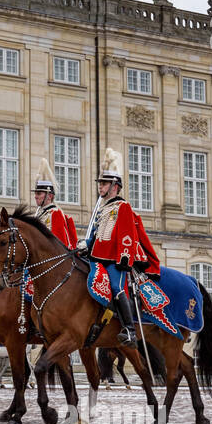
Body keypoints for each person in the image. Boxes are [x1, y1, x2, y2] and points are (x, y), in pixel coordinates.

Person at [78, 148, 161, 348]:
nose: (101, 187)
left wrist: (124, 259)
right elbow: (99, 236)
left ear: (115, 186)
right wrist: (86, 244)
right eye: (100, 183)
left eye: (104, 183)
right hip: (98, 257)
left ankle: (129, 330)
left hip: (116, 260)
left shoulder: (122, 207)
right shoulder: (103, 209)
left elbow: (126, 236)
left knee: (116, 287)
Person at [33, 157, 77, 248]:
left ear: (49, 196)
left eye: (39, 193)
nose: (35, 196)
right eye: (35, 193)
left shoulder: (55, 213)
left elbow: (58, 244)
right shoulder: (38, 213)